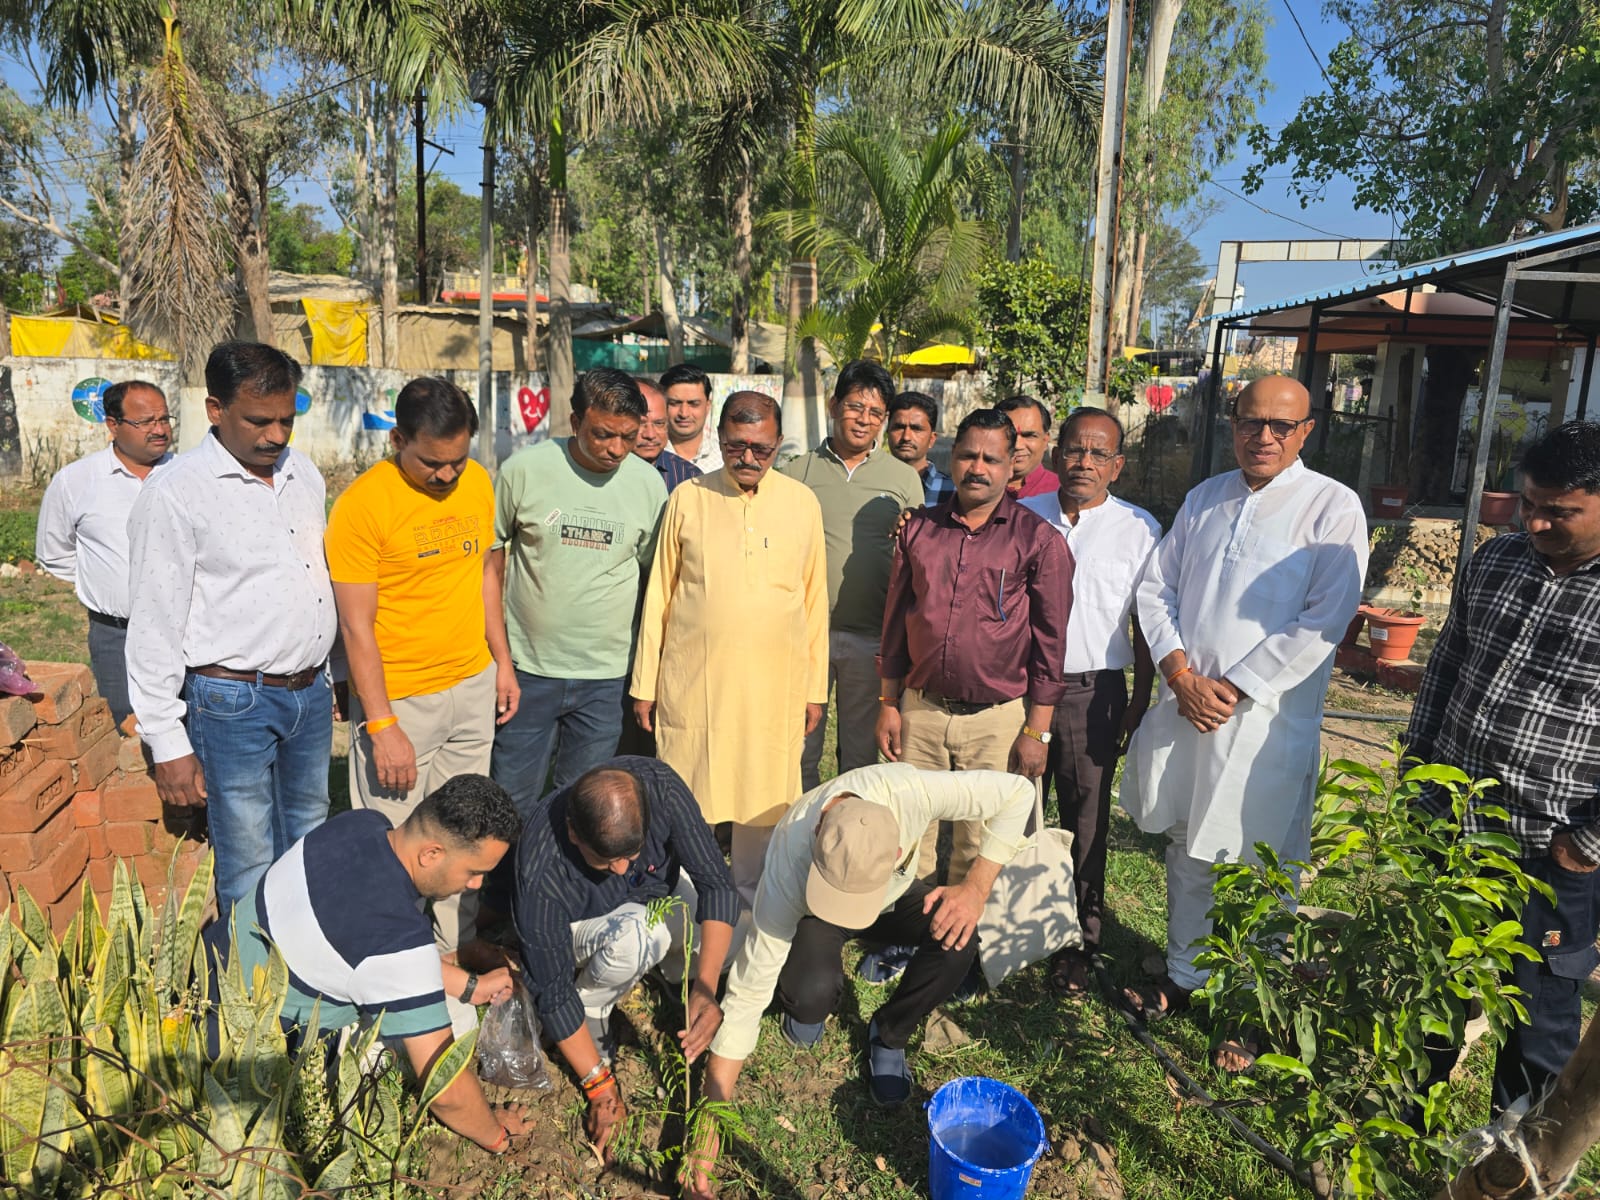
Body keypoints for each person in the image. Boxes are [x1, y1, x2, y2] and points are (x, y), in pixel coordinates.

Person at [1120, 375, 1367, 1068]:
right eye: (1251, 422)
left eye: (1281, 426)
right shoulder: (1206, 497)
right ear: (1232, 423)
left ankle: (1251, 1007)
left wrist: (1229, 688)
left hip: (1264, 723)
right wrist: (1178, 674)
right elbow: (1156, 588)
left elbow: (1324, 619)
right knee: (1188, 845)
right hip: (1188, 707)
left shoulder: (1332, 507)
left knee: (1262, 864)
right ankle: (1184, 974)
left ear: (1307, 430)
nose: (1264, 437)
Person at [682, 764, 1036, 1195]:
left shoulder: (913, 791)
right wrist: (710, 1120)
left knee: (958, 940)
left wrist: (975, 889)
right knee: (809, 997)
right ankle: (806, 997)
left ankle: (889, 1033)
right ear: (818, 833)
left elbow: (1017, 793)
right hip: (819, 914)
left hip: (891, 899)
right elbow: (747, 993)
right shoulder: (789, 856)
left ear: (899, 848)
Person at [1407, 420, 1600, 1113]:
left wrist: (1587, 843)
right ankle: (1410, 1117)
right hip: (1453, 823)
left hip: (1550, 848)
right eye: (1528, 503)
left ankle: (1513, 1154)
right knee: (1434, 982)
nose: (1537, 522)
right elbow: (1447, 665)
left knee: (1538, 1015)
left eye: (1560, 511)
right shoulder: (1496, 561)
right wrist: (1417, 771)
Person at [126, 342, 336, 915]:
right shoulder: (175, 493)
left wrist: (333, 673)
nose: (276, 436)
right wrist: (167, 741)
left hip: (310, 693)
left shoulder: (301, 471)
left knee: (308, 839)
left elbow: (317, 578)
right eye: (259, 421)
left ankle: (300, 959)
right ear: (215, 410)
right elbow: (154, 623)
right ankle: (248, 967)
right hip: (230, 702)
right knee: (247, 856)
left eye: (287, 420)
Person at [219, 773, 532, 1155]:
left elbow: (371, 953)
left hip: (214, 981)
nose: (476, 886)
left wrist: (470, 985)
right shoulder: (398, 937)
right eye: (474, 871)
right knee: (459, 1019)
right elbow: (446, 1090)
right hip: (253, 1055)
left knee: (447, 999)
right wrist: (496, 1135)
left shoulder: (360, 824)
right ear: (432, 854)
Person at [325, 376, 520, 966]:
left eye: (457, 460)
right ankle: (392, 959)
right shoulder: (362, 506)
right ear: (398, 440)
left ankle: (453, 948)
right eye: (432, 463)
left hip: (471, 685)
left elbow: (486, 578)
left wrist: (501, 663)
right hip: (403, 701)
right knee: (397, 841)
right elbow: (356, 626)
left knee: (466, 834)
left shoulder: (478, 481)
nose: (447, 475)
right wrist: (382, 725)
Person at [631, 390, 828, 908]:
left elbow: (814, 602)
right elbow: (661, 596)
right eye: (737, 445)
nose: (748, 458)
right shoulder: (688, 498)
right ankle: (678, 911)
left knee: (763, 801)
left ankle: (749, 913)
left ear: (778, 444)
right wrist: (646, 683)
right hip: (695, 685)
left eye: (761, 448)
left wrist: (814, 690)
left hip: (773, 689)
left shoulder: (801, 503)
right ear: (719, 439)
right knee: (685, 795)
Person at [877, 407, 1071, 894]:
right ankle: (907, 929)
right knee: (906, 837)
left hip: (996, 721)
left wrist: (1037, 732)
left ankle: (964, 937)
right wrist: (888, 703)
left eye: (991, 459)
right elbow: (895, 624)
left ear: (1011, 466)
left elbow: (1051, 644)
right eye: (967, 456)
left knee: (980, 849)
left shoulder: (1039, 541)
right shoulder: (918, 530)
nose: (977, 468)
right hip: (920, 712)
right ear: (952, 457)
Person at [513, 757, 739, 1160]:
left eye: (631, 854)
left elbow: (716, 885)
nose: (620, 868)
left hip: (652, 899)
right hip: (580, 927)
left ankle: (671, 973)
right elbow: (552, 990)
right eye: (605, 859)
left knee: (732, 940)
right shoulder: (541, 870)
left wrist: (705, 987)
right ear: (573, 832)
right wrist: (600, 1089)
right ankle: (594, 1002)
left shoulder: (661, 788)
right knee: (639, 935)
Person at [1020, 407, 1160, 995]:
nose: (1084, 462)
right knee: (1016, 812)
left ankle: (1079, 943)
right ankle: (1014, 928)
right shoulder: (1023, 515)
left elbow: (1148, 622)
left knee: (1085, 819)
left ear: (1117, 466)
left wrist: (1140, 698)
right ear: (1056, 456)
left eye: (1099, 453)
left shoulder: (1140, 529)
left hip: (1093, 692)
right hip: (1022, 689)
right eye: (1075, 450)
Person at [491, 368, 667, 818]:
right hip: (528, 671)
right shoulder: (523, 471)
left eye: (628, 437)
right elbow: (490, 560)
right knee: (510, 800)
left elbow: (655, 578)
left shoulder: (649, 486)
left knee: (583, 804)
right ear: (575, 422)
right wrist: (500, 659)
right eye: (603, 434)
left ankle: (563, 867)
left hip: (606, 678)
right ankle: (509, 868)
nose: (616, 449)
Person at [780, 361, 923, 788]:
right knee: (799, 748)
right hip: (806, 635)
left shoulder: (902, 478)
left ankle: (850, 826)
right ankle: (799, 825)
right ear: (833, 405)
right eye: (855, 406)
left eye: (875, 412)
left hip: (871, 637)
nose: (864, 419)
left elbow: (917, 555)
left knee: (860, 753)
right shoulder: (797, 472)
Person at [35, 380, 174, 725]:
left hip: (187, 632)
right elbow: (54, 552)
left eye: (164, 419)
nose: (159, 430)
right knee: (128, 730)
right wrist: (102, 578)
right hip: (116, 637)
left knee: (195, 729)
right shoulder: (76, 481)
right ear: (113, 424)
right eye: (146, 422)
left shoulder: (187, 475)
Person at [633, 377, 701, 493]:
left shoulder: (689, 477)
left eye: (659, 423)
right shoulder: (604, 473)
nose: (650, 435)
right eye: (641, 424)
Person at [886, 390, 953, 507]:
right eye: (899, 427)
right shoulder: (871, 483)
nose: (906, 437)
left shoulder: (952, 492)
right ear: (888, 433)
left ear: (932, 439)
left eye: (916, 429)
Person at [661, 362, 722, 473]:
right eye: (675, 403)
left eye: (694, 404)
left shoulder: (723, 457)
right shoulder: (649, 454)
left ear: (707, 406)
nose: (684, 413)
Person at [996, 394, 1058, 498]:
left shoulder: (1062, 493)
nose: (1017, 445)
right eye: (1009, 435)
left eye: (1029, 435)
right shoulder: (973, 488)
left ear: (1045, 441)